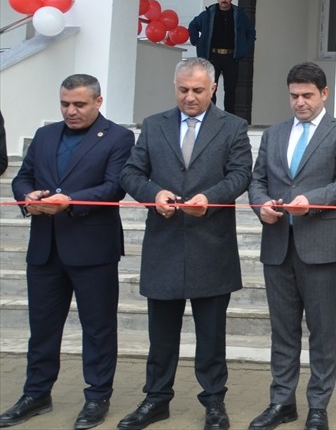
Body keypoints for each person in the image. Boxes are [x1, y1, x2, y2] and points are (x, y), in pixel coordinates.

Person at [118, 57, 253, 430]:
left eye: (197, 90)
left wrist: (209, 198)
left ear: (213, 89)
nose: (189, 97)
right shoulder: (154, 125)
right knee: (161, 336)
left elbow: (241, 174)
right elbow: (130, 172)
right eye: (183, 90)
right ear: (174, 87)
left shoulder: (233, 127)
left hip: (212, 246)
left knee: (211, 337)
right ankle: (156, 399)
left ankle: (214, 401)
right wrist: (153, 194)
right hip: (163, 245)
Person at [0, 75, 133, 430]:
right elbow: (23, 177)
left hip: (93, 249)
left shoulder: (119, 137)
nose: (70, 111)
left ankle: (97, 396)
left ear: (98, 102)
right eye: (65, 104)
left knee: (98, 328)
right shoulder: (45, 135)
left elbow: (114, 187)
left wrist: (70, 202)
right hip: (45, 249)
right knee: (42, 329)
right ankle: (36, 394)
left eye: (79, 104)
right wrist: (27, 197)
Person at [247, 62, 336, 430]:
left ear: (324, 94)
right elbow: (257, 180)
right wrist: (261, 206)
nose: (300, 102)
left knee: (322, 330)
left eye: (307, 95)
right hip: (278, 243)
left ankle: (318, 406)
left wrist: (311, 201)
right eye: (294, 95)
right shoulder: (274, 134)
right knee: (283, 330)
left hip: (321, 244)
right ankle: (282, 402)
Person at [187, 0, 256, 117]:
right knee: (211, 88)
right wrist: (197, 42)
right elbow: (193, 26)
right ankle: (211, 116)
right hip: (213, 57)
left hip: (231, 57)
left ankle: (230, 118)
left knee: (231, 89)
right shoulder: (208, 14)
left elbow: (251, 32)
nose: (224, 0)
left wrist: (245, 48)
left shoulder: (239, 15)